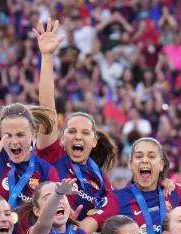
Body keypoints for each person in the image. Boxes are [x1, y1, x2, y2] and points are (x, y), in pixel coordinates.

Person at [32, 19, 119, 222]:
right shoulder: (53, 154)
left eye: (85, 133)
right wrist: (47, 57)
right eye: (71, 131)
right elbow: (47, 109)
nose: (78, 136)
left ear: (94, 141)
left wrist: (83, 225)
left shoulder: (100, 179)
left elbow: (110, 212)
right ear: (62, 139)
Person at [0, 13, 60, 207]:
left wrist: (47, 57)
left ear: (33, 133)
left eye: (20, 134)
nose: (13, 141)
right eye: (7, 135)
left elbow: (48, 110)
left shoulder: (45, 168)